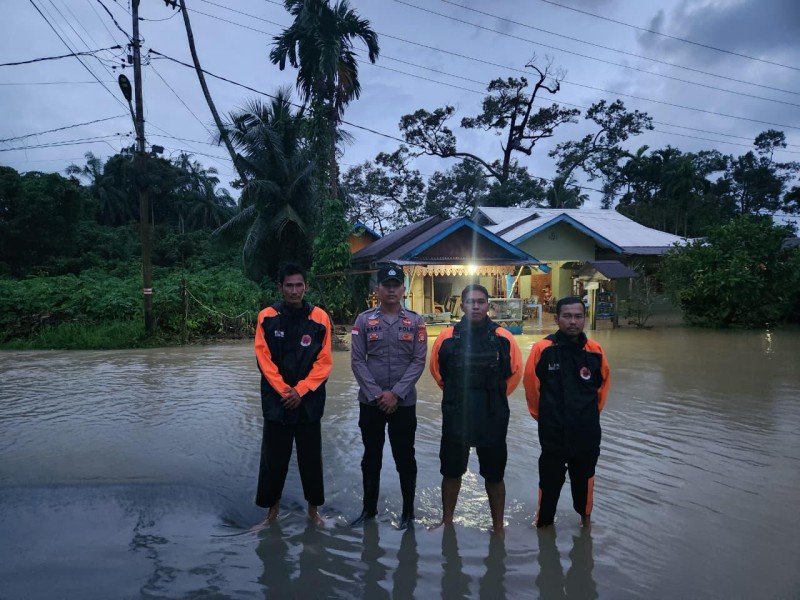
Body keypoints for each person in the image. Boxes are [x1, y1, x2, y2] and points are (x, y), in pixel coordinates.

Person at [429, 284, 522, 535]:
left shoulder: (504, 337)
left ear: (489, 305)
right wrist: (457, 397)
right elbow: (437, 372)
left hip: (492, 415)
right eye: (471, 302)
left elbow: (514, 374)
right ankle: (446, 521)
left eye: (481, 302)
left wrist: (492, 397)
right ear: (462, 306)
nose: (477, 306)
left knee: (494, 475)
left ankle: (498, 527)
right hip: (457, 414)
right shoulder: (447, 337)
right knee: (450, 472)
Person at [253, 262, 333, 526]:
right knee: (273, 459)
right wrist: (284, 391)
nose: (295, 290)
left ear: (306, 287)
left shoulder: (320, 318)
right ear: (280, 287)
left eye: (299, 285)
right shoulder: (266, 316)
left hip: (308, 401)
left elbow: (324, 363)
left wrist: (300, 391)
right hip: (277, 402)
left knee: (311, 460)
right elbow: (263, 359)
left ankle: (313, 512)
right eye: (289, 285)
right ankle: (271, 513)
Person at [350, 263, 428, 529]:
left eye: (396, 286)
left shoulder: (416, 321)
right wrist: (377, 394)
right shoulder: (364, 320)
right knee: (371, 457)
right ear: (378, 289)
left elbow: (418, 361)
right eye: (387, 285)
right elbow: (358, 361)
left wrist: (395, 394)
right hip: (370, 403)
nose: (392, 290)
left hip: (404, 404)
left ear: (403, 289)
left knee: (405, 457)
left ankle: (408, 514)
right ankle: (368, 512)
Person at [523, 296, 610, 528]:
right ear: (556, 318)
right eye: (567, 316)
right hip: (553, 434)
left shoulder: (595, 351)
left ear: (584, 319)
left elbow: (602, 390)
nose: (573, 321)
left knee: (585, 482)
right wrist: (546, 418)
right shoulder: (543, 349)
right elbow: (532, 389)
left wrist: (587, 416)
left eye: (578, 316)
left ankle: (586, 526)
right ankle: (543, 526)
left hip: (587, 433)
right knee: (549, 483)